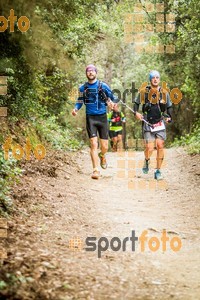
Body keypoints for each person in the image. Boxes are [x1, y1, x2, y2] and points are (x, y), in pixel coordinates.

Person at [72, 64, 114, 179]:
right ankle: (95, 170)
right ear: (86, 74)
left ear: (96, 73)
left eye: (92, 71)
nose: (90, 72)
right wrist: (75, 109)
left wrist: (111, 103)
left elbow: (112, 98)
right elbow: (79, 101)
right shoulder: (83, 88)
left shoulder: (103, 86)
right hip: (90, 117)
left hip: (102, 117)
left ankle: (102, 155)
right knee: (93, 144)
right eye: (88, 71)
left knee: (104, 146)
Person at [134, 70, 172, 180]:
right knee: (149, 148)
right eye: (153, 78)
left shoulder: (164, 92)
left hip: (160, 122)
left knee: (160, 145)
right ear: (150, 80)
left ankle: (158, 171)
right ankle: (146, 160)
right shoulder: (144, 92)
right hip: (147, 122)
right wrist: (136, 113)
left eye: (157, 77)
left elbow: (169, 106)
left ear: (159, 79)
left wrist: (170, 117)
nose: (155, 79)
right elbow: (136, 104)